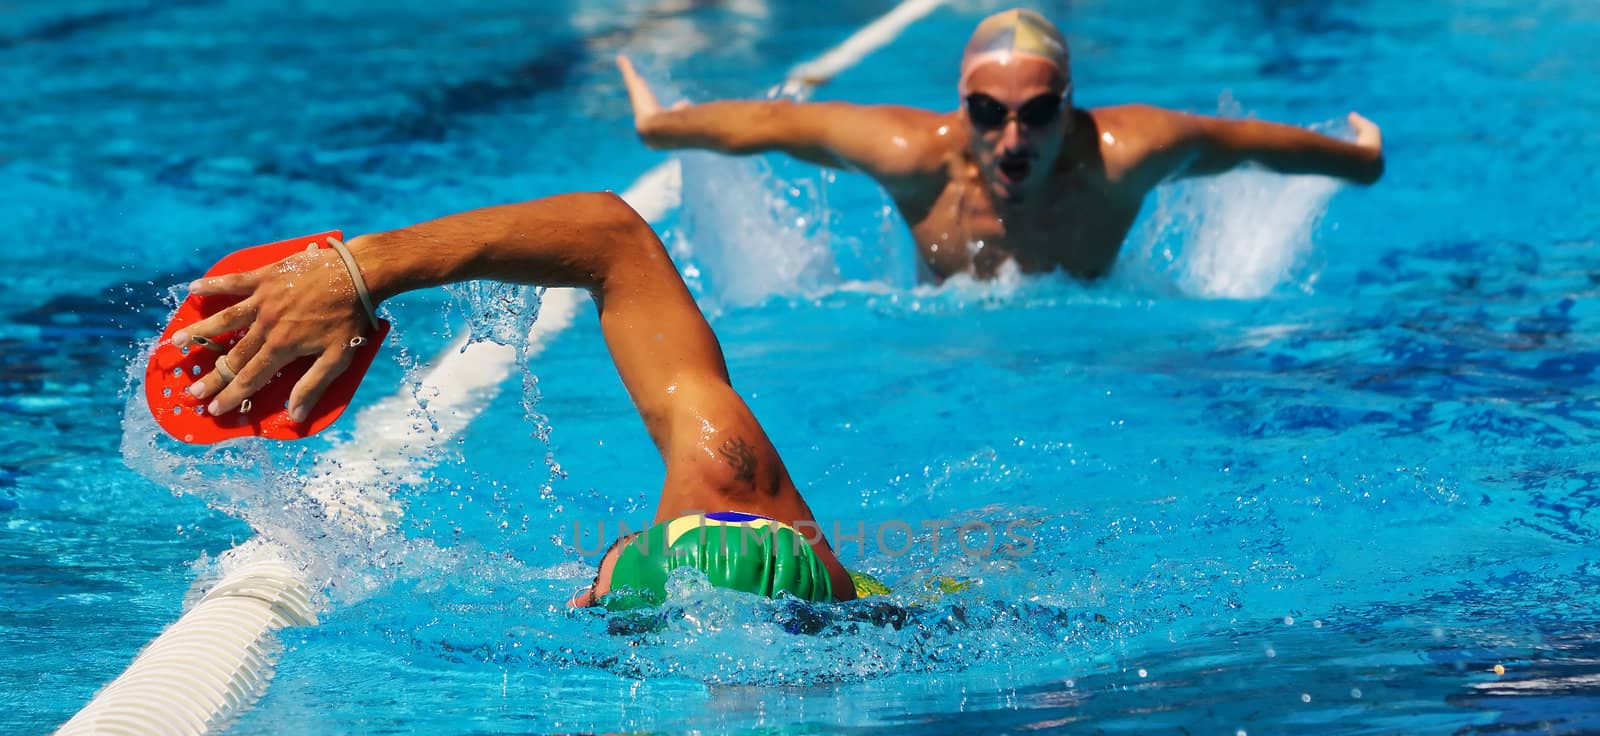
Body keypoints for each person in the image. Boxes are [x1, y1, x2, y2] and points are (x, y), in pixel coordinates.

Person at [170, 192, 858, 608]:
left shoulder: (739, 494)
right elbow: (612, 239)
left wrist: (369, 266)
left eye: (597, 590)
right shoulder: (737, 493)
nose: (583, 588)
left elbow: (613, 237)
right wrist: (362, 270)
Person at [617, 7, 1385, 281]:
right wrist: (662, 126)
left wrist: (1358, 159)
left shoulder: (1124, 151)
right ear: (962, 105)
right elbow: (774, 125)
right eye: (988, 112)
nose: (1012, 137)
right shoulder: (913, 153)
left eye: (1038, 113)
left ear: (1071, 106)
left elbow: (1247, 143)